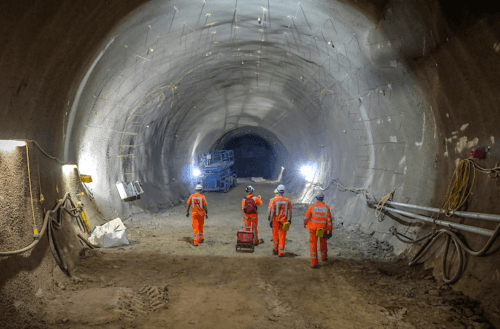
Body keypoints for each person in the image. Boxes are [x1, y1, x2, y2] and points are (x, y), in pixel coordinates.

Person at [303, 192, 333, 268]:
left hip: (313, 229)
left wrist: (305, 223)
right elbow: (329, 221)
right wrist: (330, 231)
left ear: (316, 198)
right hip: (323, 229)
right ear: (323, 198)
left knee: (313, 244)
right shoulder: (326, 208)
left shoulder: (312, 207)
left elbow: (307, 217)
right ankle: (323, 257)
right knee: (323, 243)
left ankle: (314, 262)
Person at [268, 184, 292, 257]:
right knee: (282, 236)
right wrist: (289, 219)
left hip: (275, 221)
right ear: (283, 191)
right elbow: (290, 211)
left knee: (275, 235)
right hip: (284, 221)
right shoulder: (287, 200)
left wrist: (270, 220)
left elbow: (272, 211)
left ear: (277, 191)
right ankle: (281, 252)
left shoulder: (274, 200)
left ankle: (275, 249)